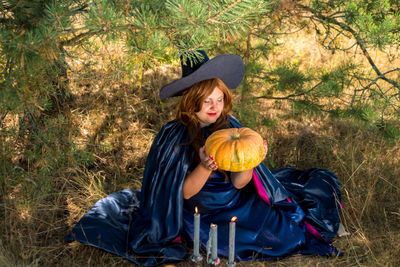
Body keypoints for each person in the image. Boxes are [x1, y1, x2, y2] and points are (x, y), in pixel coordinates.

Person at [66, 50, 342, 266]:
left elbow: (239, 184)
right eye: (207, 101)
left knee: (289, 235)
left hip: (238, 202)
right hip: (201, 213)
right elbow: (184, 193)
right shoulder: (175, 135)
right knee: (231, 242)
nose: (214, 107)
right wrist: (205, 167)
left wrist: (251, 161)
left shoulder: (230, 125)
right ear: (191, 100)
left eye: (219, 99)